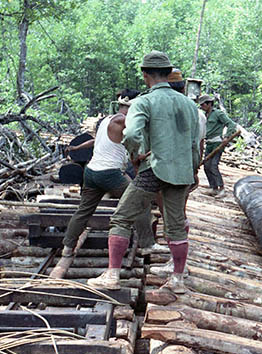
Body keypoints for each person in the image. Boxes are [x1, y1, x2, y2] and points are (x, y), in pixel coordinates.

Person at [87, 51, 199, 293]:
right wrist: (194, 171)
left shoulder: (143, 102)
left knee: (121, 217)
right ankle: (178, 279)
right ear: (169, 74)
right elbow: (194, 143)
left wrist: (133, 155)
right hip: (182, 171)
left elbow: (130, 134)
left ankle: (112, 275)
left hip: (154, 169)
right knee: (176, 224)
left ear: (144, 74)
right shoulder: (189, 105)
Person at [53, 90, 160, 277]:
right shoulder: (122, 120)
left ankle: (68, 247)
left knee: (83, 211)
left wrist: (78, 147)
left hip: (91, 172)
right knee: (139, 203)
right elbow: (136, 136)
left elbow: (99, 141)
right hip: (110, 174)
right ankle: (147, 245)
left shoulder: (106, 120)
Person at [150, 68, 206, 276]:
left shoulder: (167, 109)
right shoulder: (197, 112)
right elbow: (199, 144)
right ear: (182, 88)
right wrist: (195, 169)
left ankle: (176, 265)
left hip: (168, 168)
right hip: (186, 167)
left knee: (171, 214)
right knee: (178, 212)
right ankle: (177, 262)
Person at [198, 94, 237, 198]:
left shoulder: (218, 114)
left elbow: (231, 124)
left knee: (213, 165)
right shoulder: (205, 115)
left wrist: (226, 137)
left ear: (209, 104)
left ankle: (221, 188)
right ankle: (213, 188)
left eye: (203, 105)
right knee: (206, 166)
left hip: (217, 143)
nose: (201, 107)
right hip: (209, 143)